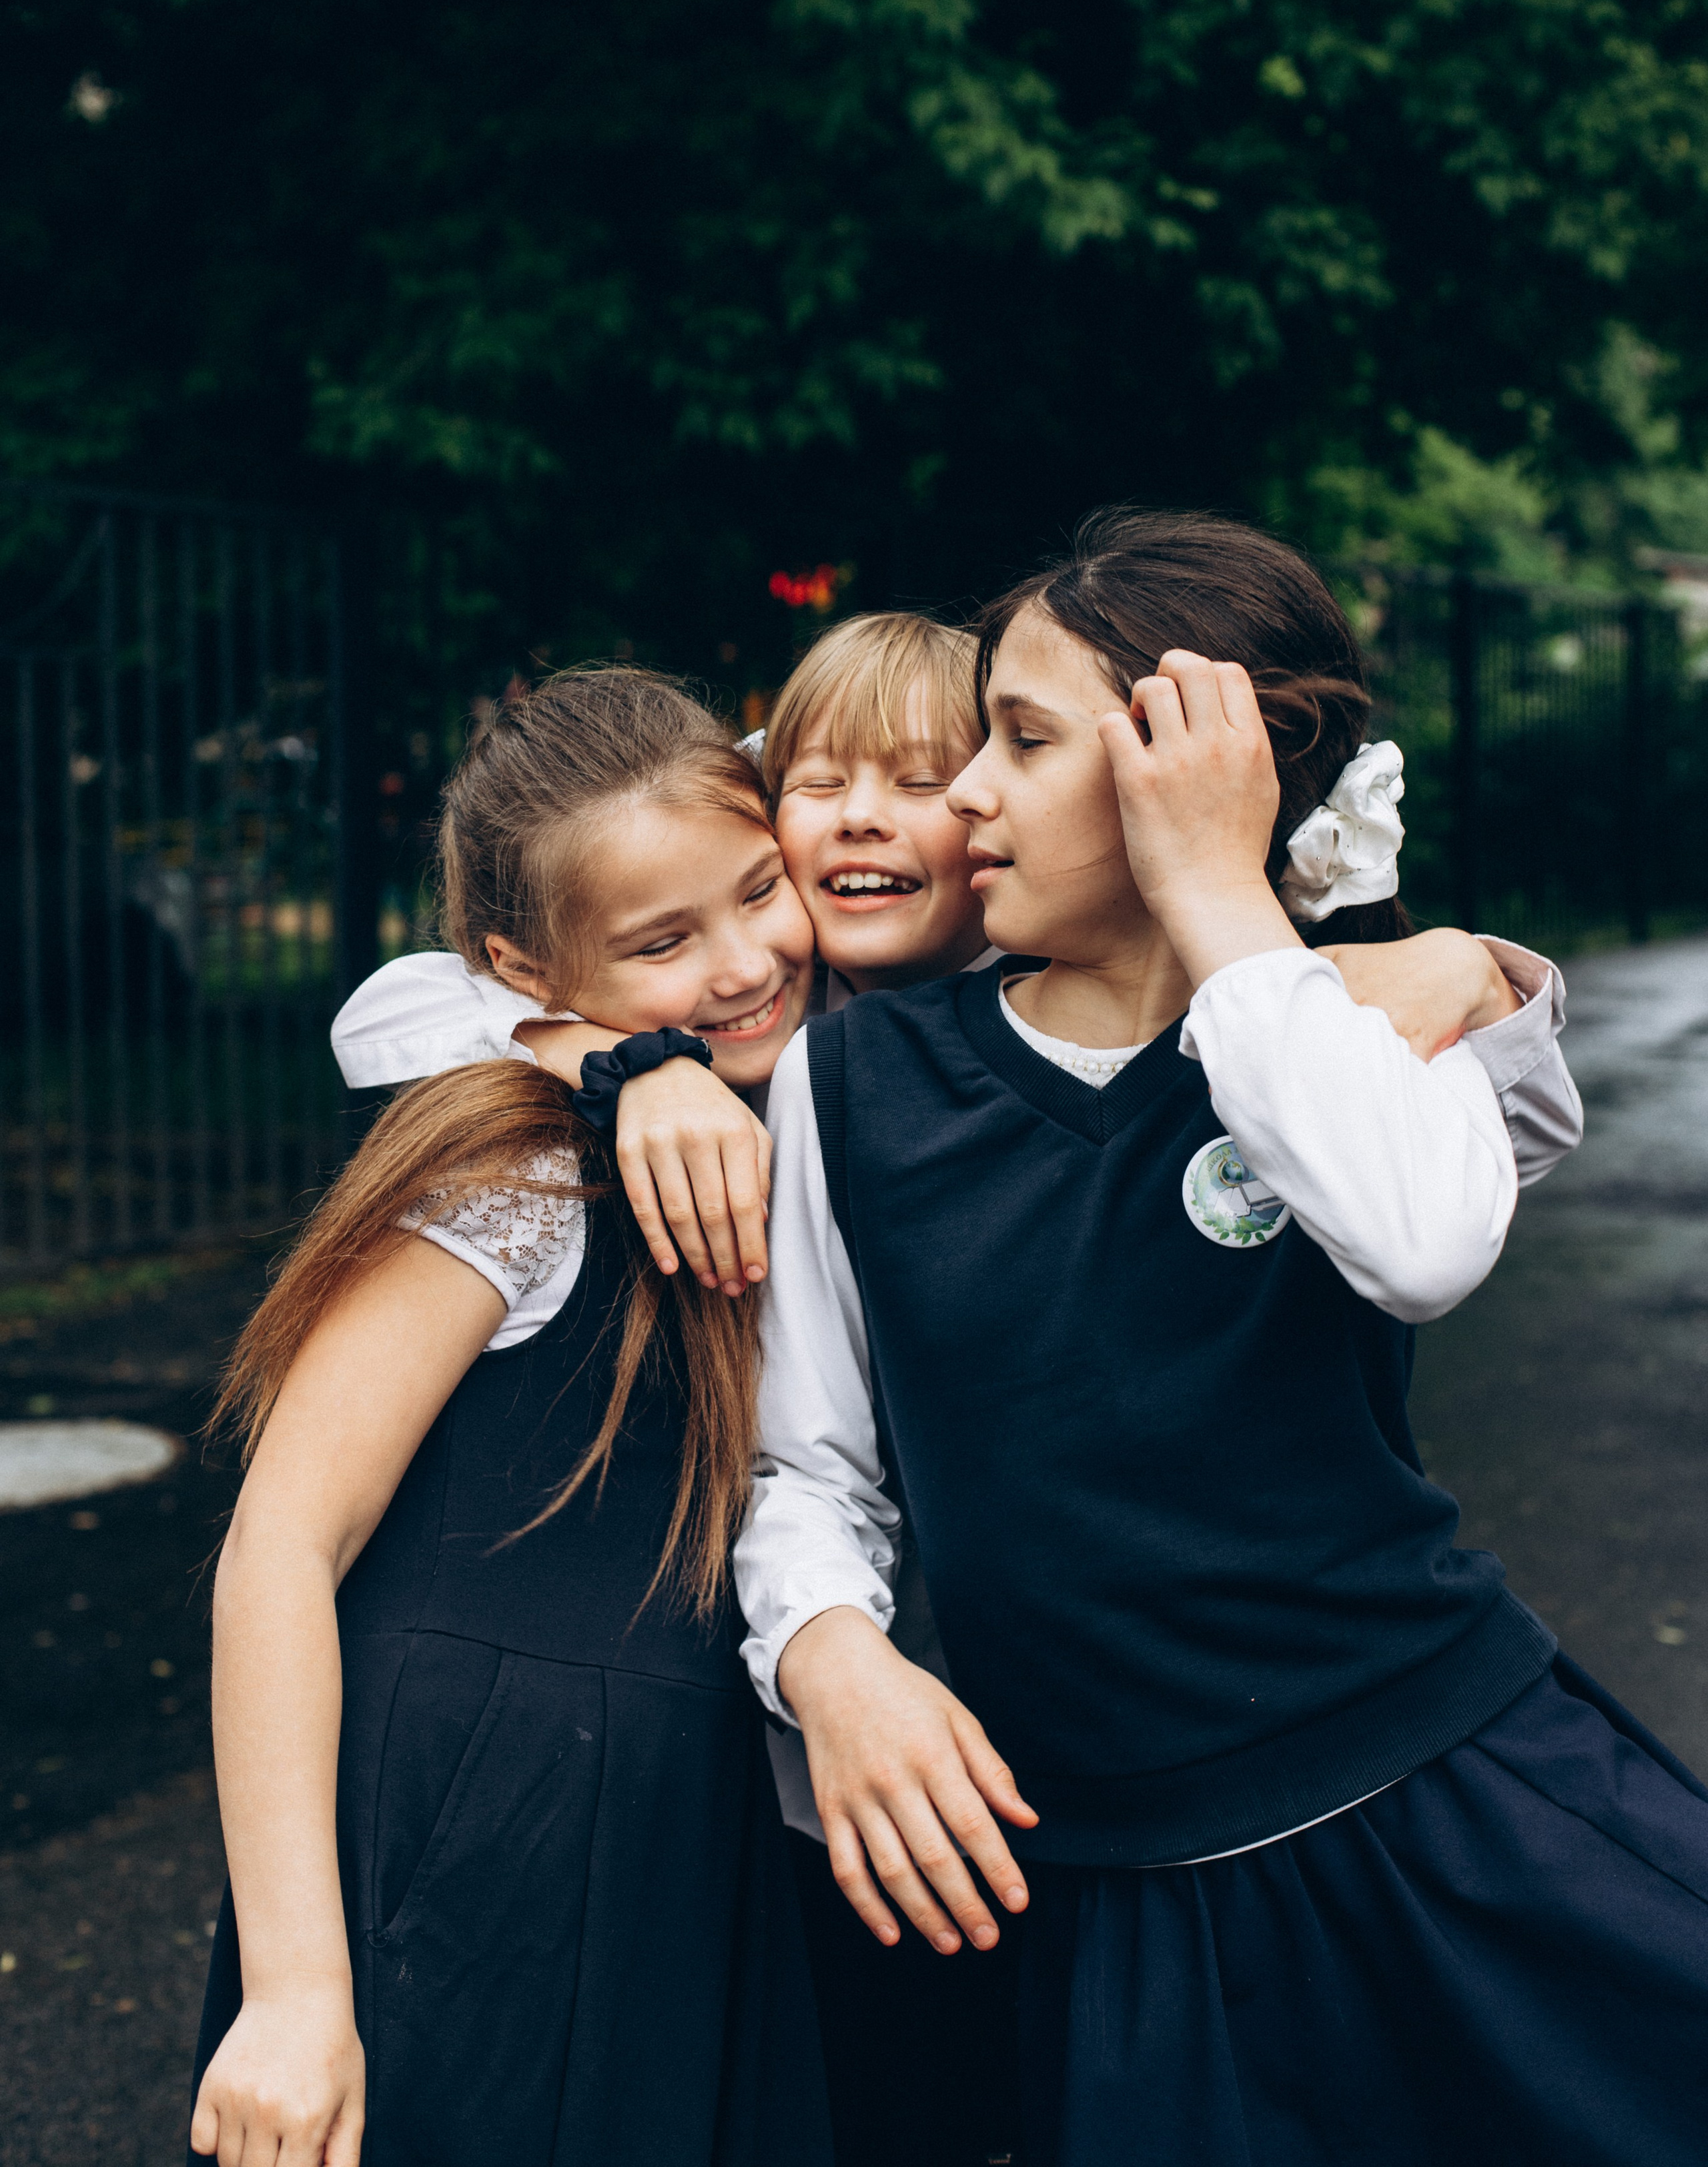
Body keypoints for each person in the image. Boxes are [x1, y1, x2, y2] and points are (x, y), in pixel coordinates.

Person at [328, 608, 1582, 2167]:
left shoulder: (1098, 999)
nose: (869, 812)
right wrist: (611, 1057)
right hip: (803, 1775)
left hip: (1113, 1764)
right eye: (816, 780)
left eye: (935, 773)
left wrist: (1464, 957)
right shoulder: (760, 1029)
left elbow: (1408, 1141)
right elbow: (404, 1000)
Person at [737, 511, 1706, 2166]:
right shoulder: (856, 1087)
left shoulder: (1359, 1020)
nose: (966, 791)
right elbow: (807, 1465)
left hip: (1450, 1816)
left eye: (1021, 742)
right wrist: (823, 1650)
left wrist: (1222, 904)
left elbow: (1415, 1245)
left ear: (1191, 776)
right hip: (1118, 1893)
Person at [187, 668, 831, 2167]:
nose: (743, 962)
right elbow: (276, 1548)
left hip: (681, 1830)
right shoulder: (519, 1171)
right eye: (665, 943)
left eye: (758, 894)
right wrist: (294, 1988)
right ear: (522, 973)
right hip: (484, 1848)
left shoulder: (793, 1082)